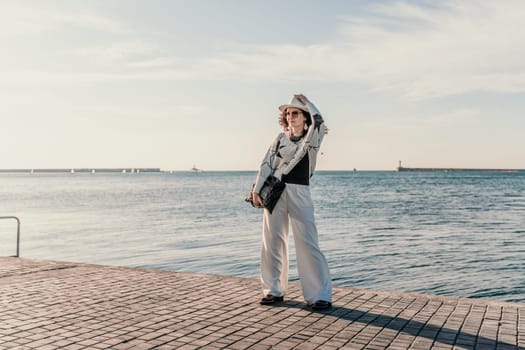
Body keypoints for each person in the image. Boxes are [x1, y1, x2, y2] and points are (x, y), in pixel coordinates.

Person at [251, 94, 332, 310]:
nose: (290, 116)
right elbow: (266, 163)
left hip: (300, 191)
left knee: (307, 241)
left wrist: (308, 103)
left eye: (295, 113)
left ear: (305, 117)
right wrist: (256, 190)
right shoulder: (280, 138)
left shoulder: (314, 137)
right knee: (272, 241)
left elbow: (320, 120)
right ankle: (273, 290)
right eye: (288, 113)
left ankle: (319, 295)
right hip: (275, 189)